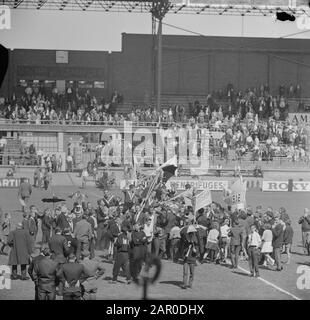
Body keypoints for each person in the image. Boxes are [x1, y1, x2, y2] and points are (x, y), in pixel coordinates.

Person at [180, 225, 198, 289]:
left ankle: (189, 284)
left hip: (192, 258)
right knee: (187, 272)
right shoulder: (185, 241)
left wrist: (194, 249)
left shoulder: (195, 241)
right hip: (187, 258)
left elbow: (196, 251)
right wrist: (188, 247)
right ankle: (185, 284)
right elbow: (183, 250)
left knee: (190, 273)